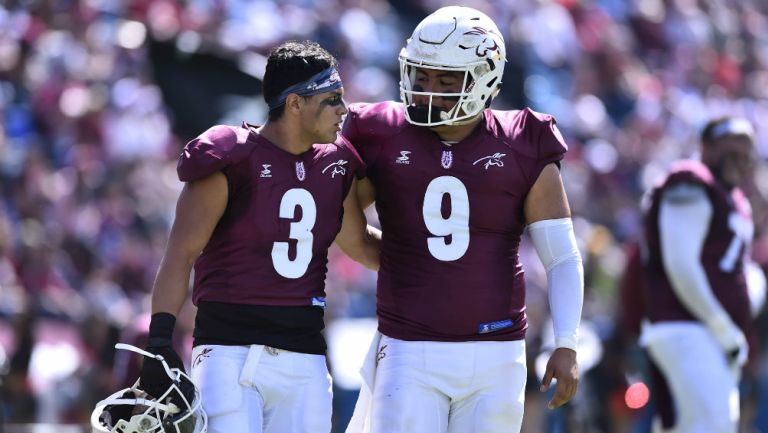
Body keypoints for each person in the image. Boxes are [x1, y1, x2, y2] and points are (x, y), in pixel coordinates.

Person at [342, 6, 584, 433]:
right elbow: (348, 228)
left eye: (447, 79)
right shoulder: (380, 132)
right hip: (408, 346)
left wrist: (566, 344)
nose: (428, 90)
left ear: (485, 77)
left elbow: (562, 257)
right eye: (421, 75)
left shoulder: (523, 142)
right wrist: (407, 261)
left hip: (496, 351)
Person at [136, 40, 380, 433]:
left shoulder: (337, 163)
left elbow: (359, 244)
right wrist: (159, 342)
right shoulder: (231, 156)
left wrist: (430, 261)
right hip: (231, 353)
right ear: (295, 103)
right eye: (331, 98)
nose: (343, 110)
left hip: (305, 356)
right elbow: (180, 253)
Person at [640, 116, 761, 433]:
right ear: (706, 147)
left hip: (708, 333)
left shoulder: (734, 198)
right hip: (687, 326)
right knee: (715, 424)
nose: (739, 158)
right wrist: (721, 326)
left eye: (745, 152)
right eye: (730, 149)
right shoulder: (690, 180)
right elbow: (681, 263)